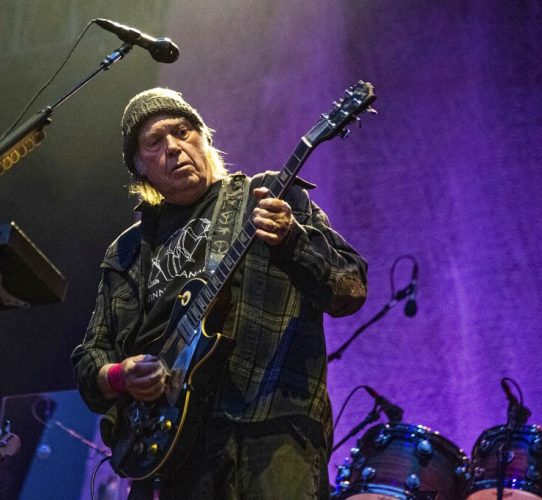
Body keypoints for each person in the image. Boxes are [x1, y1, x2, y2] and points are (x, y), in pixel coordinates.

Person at [71, 88, 368, 499]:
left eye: (183, 132)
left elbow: (350, 287)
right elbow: (91, 358)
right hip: (167, 451)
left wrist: (291, 239)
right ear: (140, 167)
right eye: (155, 143)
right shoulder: (127, 251)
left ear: (204, 138)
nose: (174, 148)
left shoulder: (267, 197)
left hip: (269, 429)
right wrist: (122, 377)